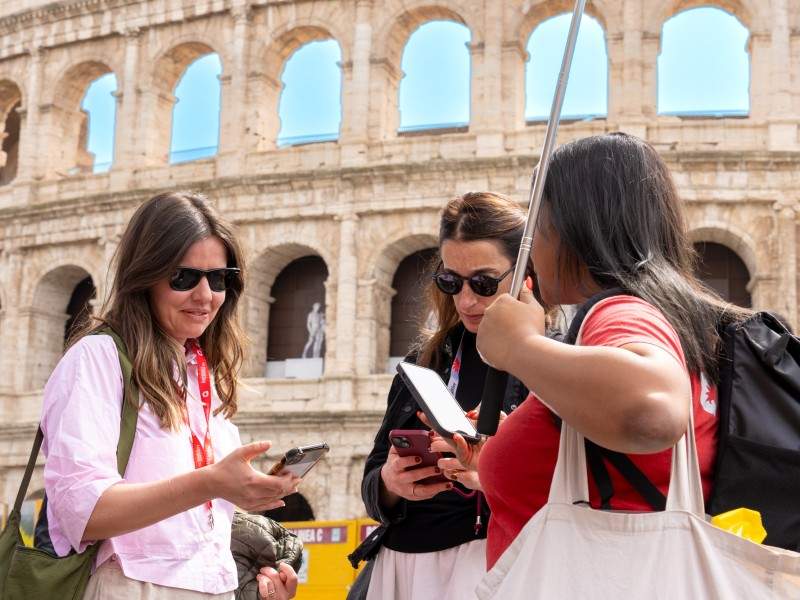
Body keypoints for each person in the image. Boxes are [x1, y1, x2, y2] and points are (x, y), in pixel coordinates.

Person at [431, 132, 749, 570]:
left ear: (573, 233)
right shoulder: (678, 316)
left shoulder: (619, 313)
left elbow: (651, 410)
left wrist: (522, 347)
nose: (534, 252)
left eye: (538, 229)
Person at [40, 191, 300, 600]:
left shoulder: (203, 371)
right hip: (131, 584)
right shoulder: (98, 358)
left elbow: (194, 524)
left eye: (218, 279)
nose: (205, 296)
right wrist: (211, 482)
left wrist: (255, 579)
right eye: (184, 277)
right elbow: (82, 512)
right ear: (144, 276)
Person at [350, 192, 532, 600]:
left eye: (484, 283)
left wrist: (500, 467)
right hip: (403, 568)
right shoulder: (426, 359)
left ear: (524, 274)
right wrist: (391, 483)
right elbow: (373, 479)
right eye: (451, 281)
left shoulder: (551, 357)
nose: (466, 300)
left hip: (495, 563)